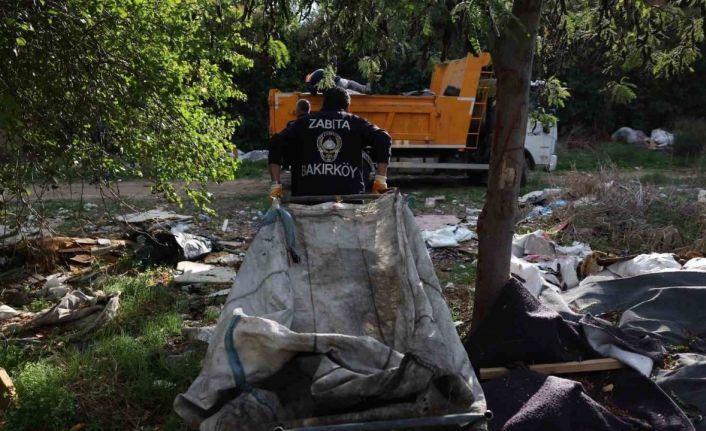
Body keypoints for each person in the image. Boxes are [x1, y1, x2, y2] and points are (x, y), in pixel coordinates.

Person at [268, 87, 390, 198]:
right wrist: (380, 180)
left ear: (323, 104)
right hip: (349, 198)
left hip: (308, 199)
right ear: (347, 107)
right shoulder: (355, 123)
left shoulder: (303, 123)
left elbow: (276, 141)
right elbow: (384, 138)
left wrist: (276, 185)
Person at [305, 69, 371, 95]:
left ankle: (365, 88)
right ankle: (365, 88)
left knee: (350, 85)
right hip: (340, 82)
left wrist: (307, 82)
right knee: (350, 84)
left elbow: (313, 91)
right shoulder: (318, 72)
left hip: (337, 85)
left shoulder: (314, 77)